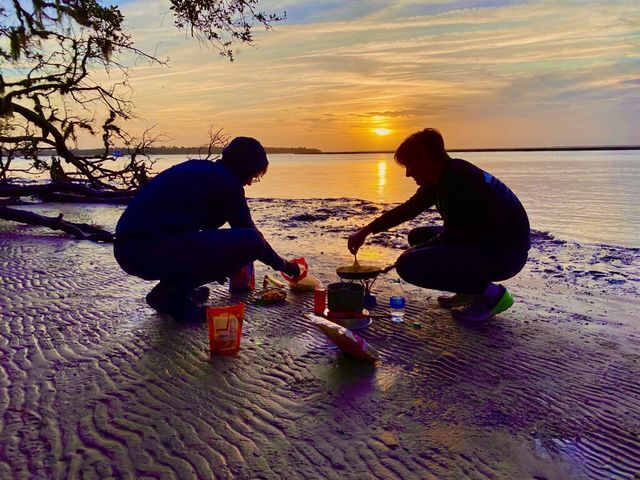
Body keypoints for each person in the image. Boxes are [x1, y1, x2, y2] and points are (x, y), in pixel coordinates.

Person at [348, 128, 530, 322]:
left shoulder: (459, 179)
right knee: (417, 236)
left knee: (409, 265)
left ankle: (492, 295)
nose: (408, 174)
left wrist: (414, 252)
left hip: (505, 255)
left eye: (410, 165)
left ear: (425, 158)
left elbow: (456, 234)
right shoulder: (441, 178)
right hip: (484, 239)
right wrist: (366, 231)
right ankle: (469, 291)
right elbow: (408, 210)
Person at [114, 137, 300, 322]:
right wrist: (285, 266)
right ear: (245, 167)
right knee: (253, 241)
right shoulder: (227, 183)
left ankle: (176, 290)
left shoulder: (201, 170)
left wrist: (214, 263)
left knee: (216, 243)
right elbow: (252, 239)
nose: (250, 182)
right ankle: (173, 296)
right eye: (253, 175)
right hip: (146, 250)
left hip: (127, 249)